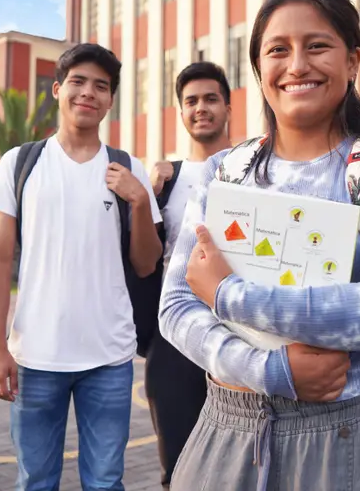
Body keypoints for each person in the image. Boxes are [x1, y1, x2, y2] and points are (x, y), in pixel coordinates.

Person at [158, 0, 360, 490]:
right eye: (278, 50)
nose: (298, 65)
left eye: (317, 46)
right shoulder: (226, 170)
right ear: (260, 70)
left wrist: (227, 294)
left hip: (342, 438)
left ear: (352, 61)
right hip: (225, 426)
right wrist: (266, 369)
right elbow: (175, 308)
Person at [0, 43, 163, 491]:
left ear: (110, 101)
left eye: (101, 86)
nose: (89, 93)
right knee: (36, 481)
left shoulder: (127, 167)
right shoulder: (19, 164)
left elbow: (146, 263)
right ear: (58, 90)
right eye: (78, 82)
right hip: (36, 355)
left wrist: (139, 200)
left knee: (104, 481)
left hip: (109, 356)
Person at [145, 61, 233, 489]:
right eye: (191, 101)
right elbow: (143, 260)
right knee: (177, 469)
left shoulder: (250, 167)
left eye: (211, 99)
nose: (201, 108)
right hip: (175, 338)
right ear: (181, 113)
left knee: (242, 465)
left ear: (228, 107)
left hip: (239, 332)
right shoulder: (165, 180)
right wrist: (145, 195)